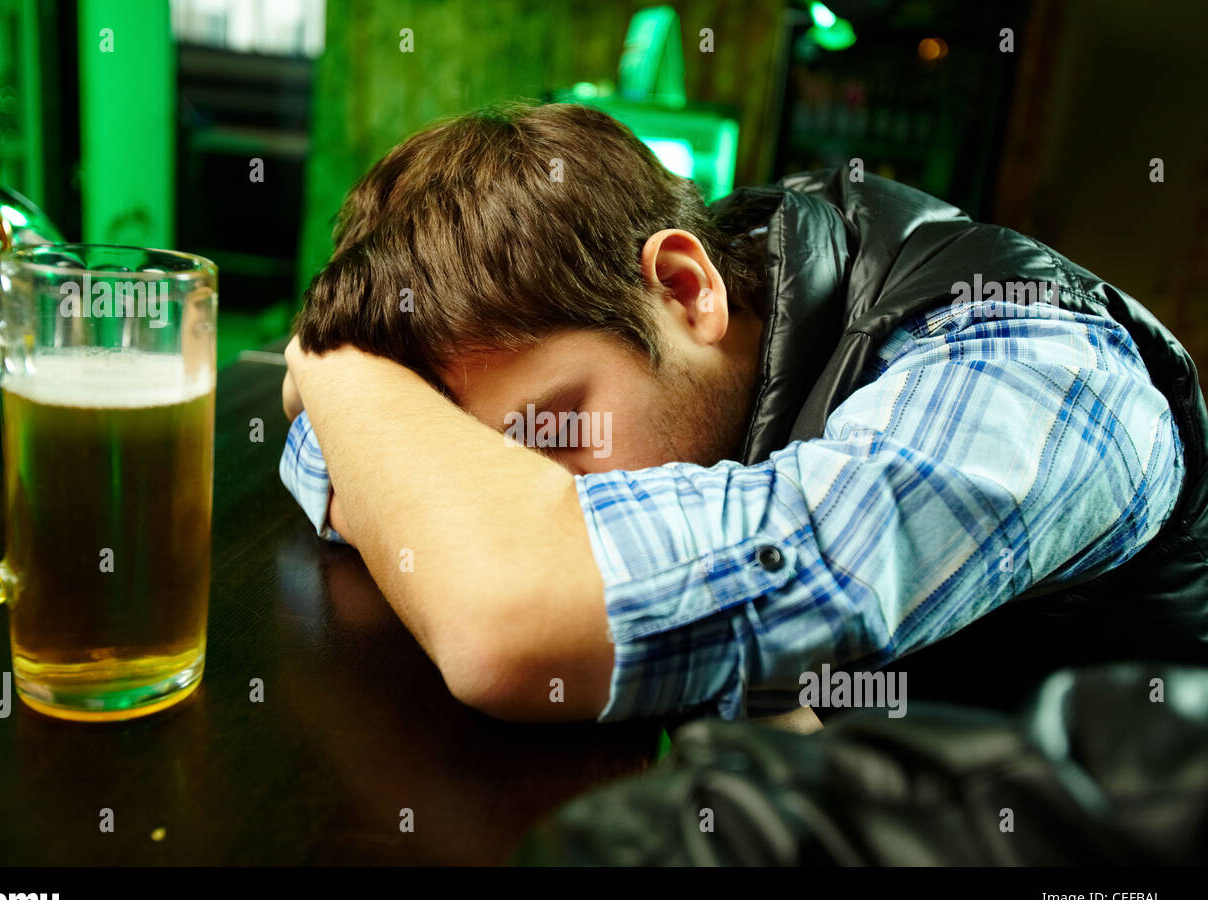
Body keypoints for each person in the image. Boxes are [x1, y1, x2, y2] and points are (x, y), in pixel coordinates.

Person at [279, 101, 1208, 725]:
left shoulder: (1037, 373)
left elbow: (507, 622)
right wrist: (363, 398)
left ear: (686, 289)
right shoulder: (722, 294)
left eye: (552, 426)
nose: (516, 483)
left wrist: (327, 366)